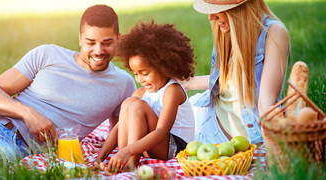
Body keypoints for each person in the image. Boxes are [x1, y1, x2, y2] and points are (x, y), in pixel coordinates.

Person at [0, 4, 136, 168]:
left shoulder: (124, 84)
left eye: (106, 43)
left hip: (13, 145)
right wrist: (28, 114)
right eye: (90, 42)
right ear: (79, 38)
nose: (98, 51)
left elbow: (124, 132)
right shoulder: (47, 54)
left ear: (118, 39)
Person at [93, 20, 196, 174]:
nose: (140, 79)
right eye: (135, 73)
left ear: (163, 67)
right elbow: (120, 126)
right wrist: (100, 158)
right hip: (149, 146)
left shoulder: (172, 90)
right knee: (129, 102)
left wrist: (128, 150)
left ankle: (130, 165)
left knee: (137, 106)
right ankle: (122, 162)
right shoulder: (141, 93)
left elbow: (161, 131)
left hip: (175, 148)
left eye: (145, 73)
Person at [181, 0, 289, 145]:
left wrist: (275, 149)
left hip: (231, 139)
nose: (211, 17)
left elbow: (266, 103)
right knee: (150, 104)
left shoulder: (273, 32)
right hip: (210, 115)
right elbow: (226, 80)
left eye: (218, 9)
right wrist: (185, 82)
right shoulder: (226, 30)